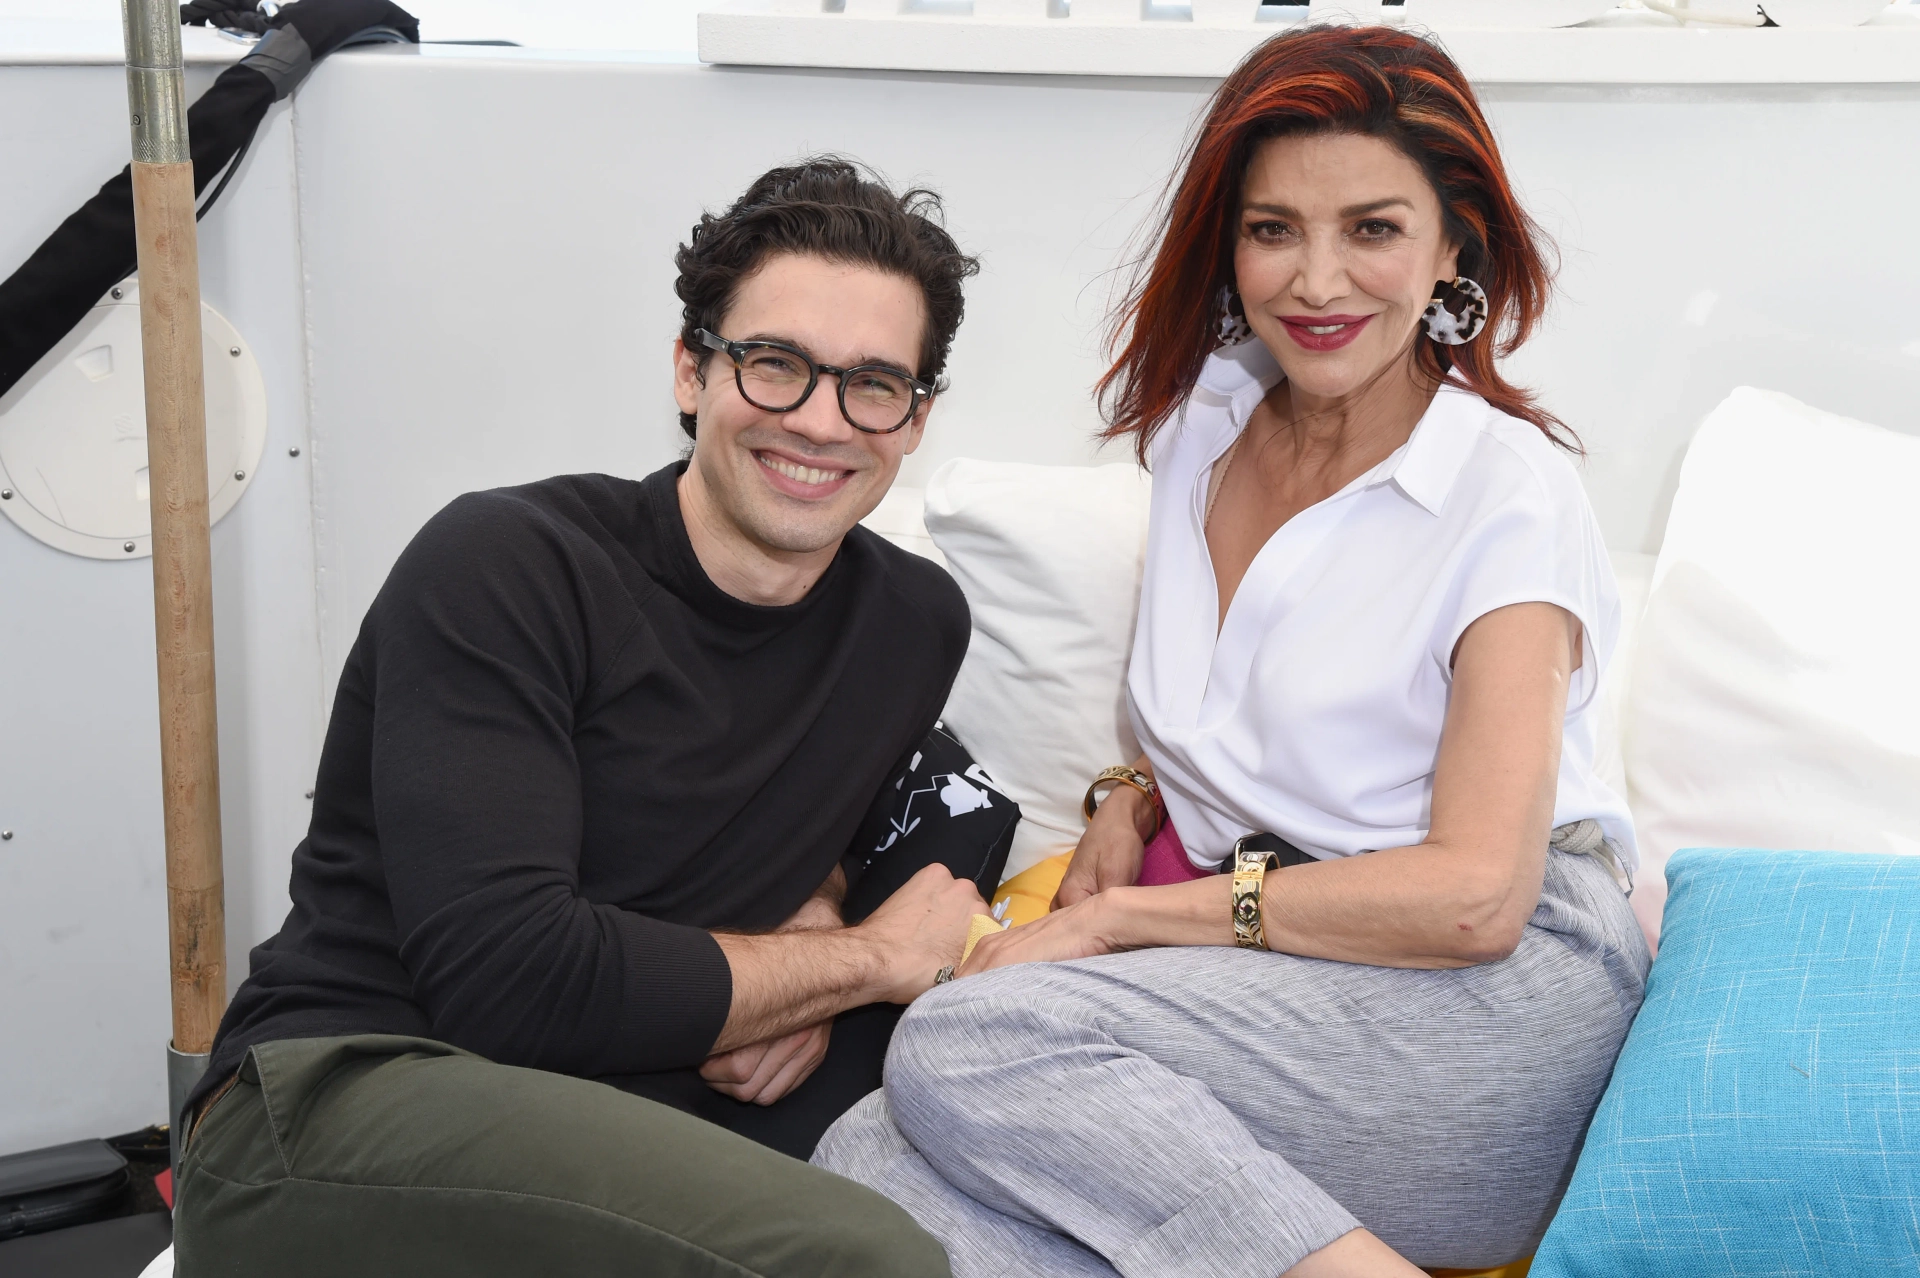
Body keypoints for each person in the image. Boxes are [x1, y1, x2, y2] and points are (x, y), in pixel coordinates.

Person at [814, 27, 1650, 1278]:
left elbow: (1475, 898)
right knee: (867, 1166)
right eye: (1274, 230)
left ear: (1452, 245)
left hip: (1490, 1021)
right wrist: (1137, 792)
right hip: (1280, 997)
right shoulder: (1206, 424)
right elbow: (1254, 706)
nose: (1317, 282)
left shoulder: (1504, 492)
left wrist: (1127, 922)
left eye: (1373, 228)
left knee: (965, 1042)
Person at [172, 157, 999, 1278]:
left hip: (625, 1099)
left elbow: (866, 806)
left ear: (915, 420)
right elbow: (513, 980)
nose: (820, 421)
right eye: (774, 365)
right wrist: (859, 964)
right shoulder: (508, 567)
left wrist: (813, 924)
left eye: (873, 384)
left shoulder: (912, 621)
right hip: (350, 1092)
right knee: (863, 1259)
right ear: (690, 372)